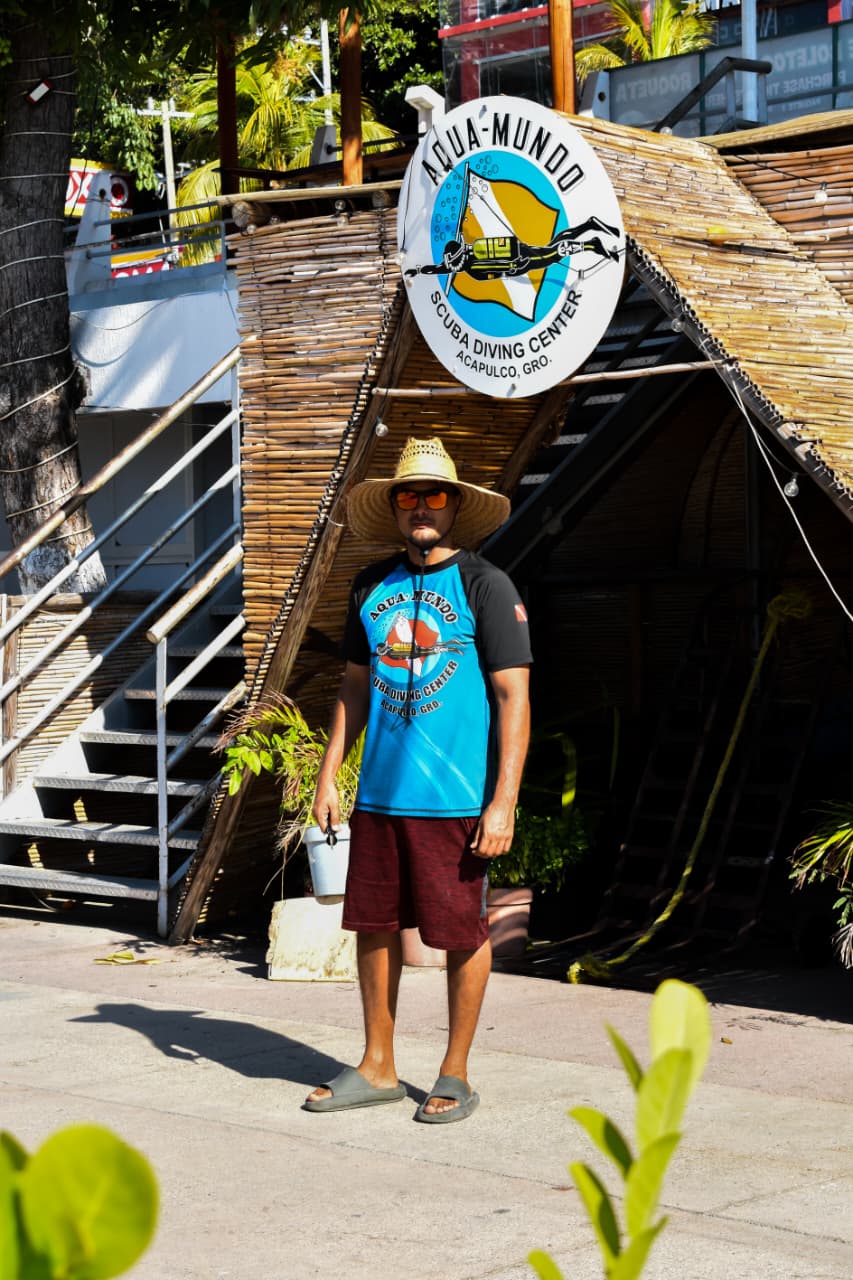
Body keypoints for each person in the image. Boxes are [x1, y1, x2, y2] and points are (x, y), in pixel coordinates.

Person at [303, 436, 531, 1124]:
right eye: (409, 495)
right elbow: (353, 686)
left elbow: (513, 697)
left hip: (455, 798)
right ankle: (377, 1064)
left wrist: (503, 802)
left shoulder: (485, 585)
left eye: (434, 494)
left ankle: (455, 1071)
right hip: (379, 795)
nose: (421, 506)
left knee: (461, 932)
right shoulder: (370, 586)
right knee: (373, 927)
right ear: (395, 507)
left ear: (454, 505)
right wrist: (328, 776)